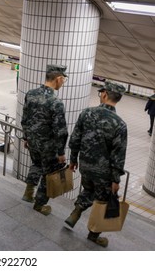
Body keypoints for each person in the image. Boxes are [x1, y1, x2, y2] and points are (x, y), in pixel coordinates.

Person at [64, 80, 127, 248]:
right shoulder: (120, 125)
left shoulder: (87, 113)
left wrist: (72, 161)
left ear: (105, 94)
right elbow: (118, 155)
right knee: (102, 200)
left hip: (85, 166)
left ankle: (75, 214)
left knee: (88, 189)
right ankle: (93, 234)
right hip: (103, 172)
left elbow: (75, 139)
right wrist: (116, 180)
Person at [21, 64, 69, 216]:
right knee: (49, 174)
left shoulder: (31, 94)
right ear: (58, 79)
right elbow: (60, 130)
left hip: (33, 141)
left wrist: (26, 137)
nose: (63, 83)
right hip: (49, 146)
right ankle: (39, 205)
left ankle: (28, 193)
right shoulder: (56, 102)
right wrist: (61, 152)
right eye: (64, 80)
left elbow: (25, 119)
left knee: (36, 164)